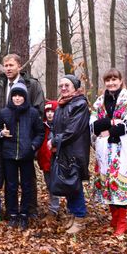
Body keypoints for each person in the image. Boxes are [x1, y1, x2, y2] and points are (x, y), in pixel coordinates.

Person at [90, 68, 127, 236]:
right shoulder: (99, 102)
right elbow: (93, 125)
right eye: (108, 80)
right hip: (104, 150)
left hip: (123, 150)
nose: (111, 83)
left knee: (119, 183)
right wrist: (112, 121)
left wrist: (108, 129)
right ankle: (113, 219)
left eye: (114, 79)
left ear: (121, 81)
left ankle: (122, 223)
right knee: (107, 182)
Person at [0, 54, 45, 218]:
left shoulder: (32, 85)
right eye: (5, 65)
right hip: (6, 143)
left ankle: (29, 210)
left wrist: (30, 142)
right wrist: (0, 132)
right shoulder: (0, 85)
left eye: (11, 65)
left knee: (28, 181)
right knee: (10, 181)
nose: (8, 68)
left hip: (26, 142)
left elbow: (39, 110)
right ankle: (12, 212)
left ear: (19, 67)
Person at [48, 74, 91, 234]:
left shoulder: (80, 104)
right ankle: (73, 215)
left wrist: (55, 141)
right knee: (67, 183)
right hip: (62, 151)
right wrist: (52, 139)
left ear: (75, 87)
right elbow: (54, 127)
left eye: (67, 85)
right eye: (61, 86)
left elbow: (73, 130)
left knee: (74, 184)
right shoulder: (61, 105)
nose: (63, 88)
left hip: (75, 151)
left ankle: (80, 218)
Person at [37, 100, 60, 221]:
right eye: (48, 112)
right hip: (45, 161)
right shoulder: (42, 126)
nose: (50, 114)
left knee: (63, 185)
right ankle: (53, 209)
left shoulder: (60, 126)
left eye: (52, 111)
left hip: (59, 162)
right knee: (51, 186)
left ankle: (72, 210)